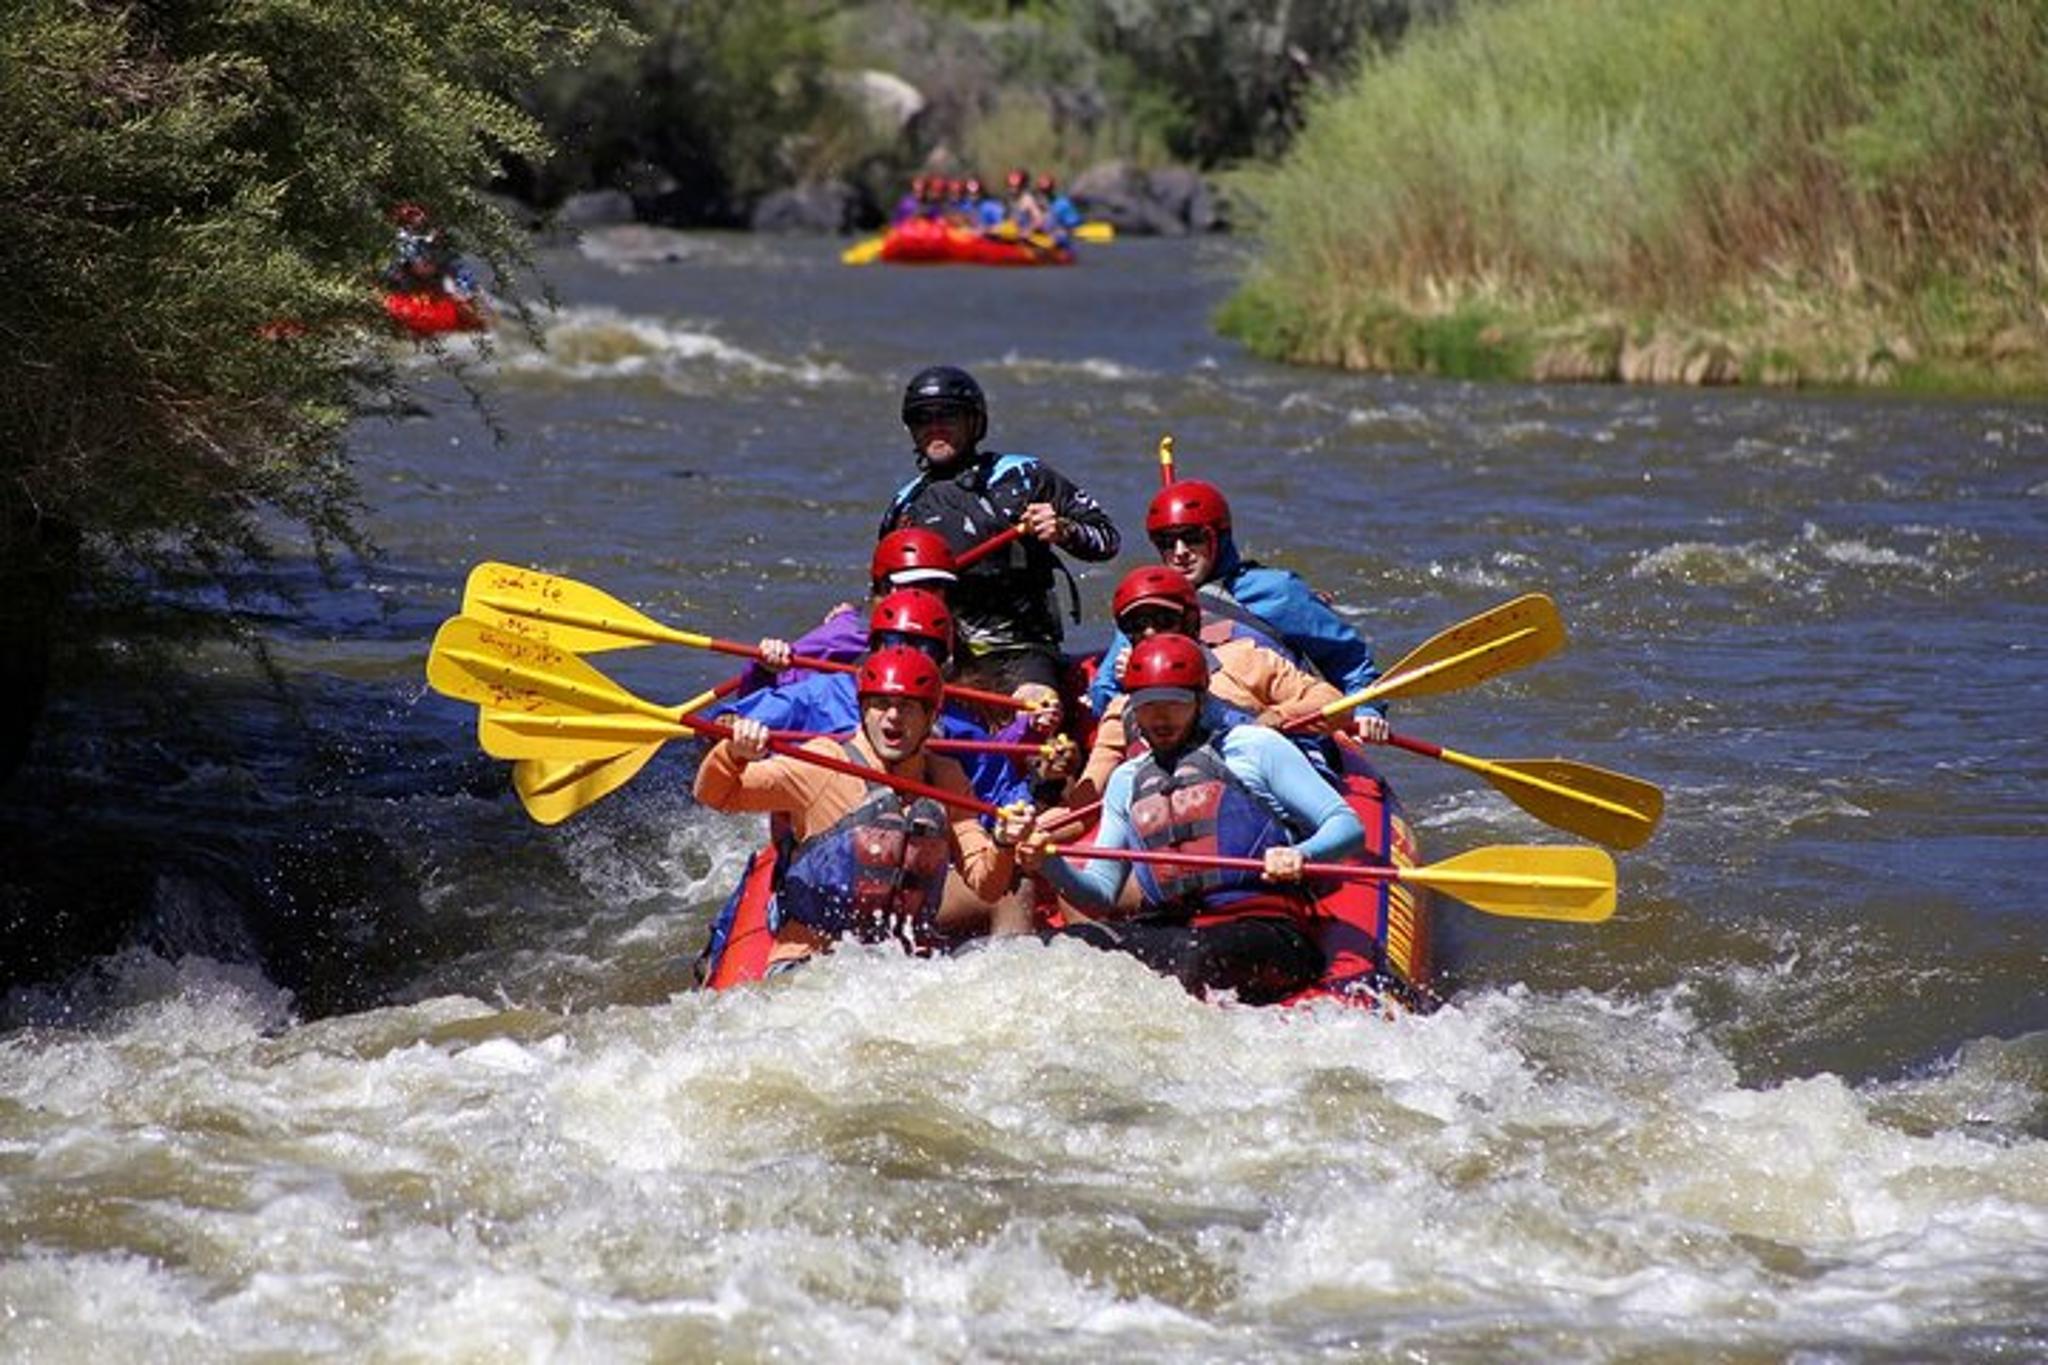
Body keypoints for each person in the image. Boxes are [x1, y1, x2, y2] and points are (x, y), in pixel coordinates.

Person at [1020, 634, 1364, 1004]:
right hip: (1174, 929)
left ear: (1201, 701)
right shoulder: (1127, 779)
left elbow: (1346, 825)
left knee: (1194, 956)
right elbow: (1100, 894)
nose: (1160, 717)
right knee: (1067, 946)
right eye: (1147, 705)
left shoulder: (1252, 747)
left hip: (1267, 931)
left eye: (1175, 703)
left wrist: (1303, 855)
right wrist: (1048, 862)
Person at [695, 647, 1036, 973]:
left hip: (902, 964)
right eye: (880, 704)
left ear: (931, 716)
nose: (892, 716)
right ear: (862, 710)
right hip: (814, 961)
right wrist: (733, 754)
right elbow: (717, 795)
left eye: (908, 706)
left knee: (1015, 887)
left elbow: (986, 884)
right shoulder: (824, 763)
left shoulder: (945, 776)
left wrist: (1003, 843)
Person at [881, 365, 1119, 714]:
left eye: (947, 415)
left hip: (1022, 651)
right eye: (922, 418)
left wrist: (1064, 530)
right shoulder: (904, 506)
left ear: (975, 422)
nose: (935, 427)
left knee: (1039, 709)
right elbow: (884, 594)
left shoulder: (1024, 476)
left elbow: (1108, 539)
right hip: (940, 653)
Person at [1062, 565, 1383, 807]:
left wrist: (1278, 717)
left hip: (1268, 808)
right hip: (1182, 835)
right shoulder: (1123, 708)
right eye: (1135, 626)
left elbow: (1333, 703)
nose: (1149, 634)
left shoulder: (1245, 660)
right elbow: (1087, 796)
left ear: (1189, 622)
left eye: (1162, 621)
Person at [711, 587, 1034, 810]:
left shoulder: (955, 725)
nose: (904, 654)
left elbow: (1002, 791)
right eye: (893, 642)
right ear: (873, 648)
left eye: (923, 648)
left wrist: (1036, 748)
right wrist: (732, 731)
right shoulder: (824, 692)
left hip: (911, 845)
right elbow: (727, 723)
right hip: (824, 826)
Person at [1086, 478, 1380, 719]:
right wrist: (1131, 683)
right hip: (1181, 737)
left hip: (1277, 727)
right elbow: (1103, 695)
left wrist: (1366, 710)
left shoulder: (1278, 591)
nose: (1179, 552)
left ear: (1220, 537)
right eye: (1166, 542)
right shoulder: (1148, 609)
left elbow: (1350, 663)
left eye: (1192, 537)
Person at [743, 527, 962, 692]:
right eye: (917, 585)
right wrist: (764, 669)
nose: (924, 596)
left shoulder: (959, 642)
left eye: (935, 586)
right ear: (884, 588)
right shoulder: (844, 635)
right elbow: (774, 692)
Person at [381, 202, 481, 306]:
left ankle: (469, 295)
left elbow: (432, 248)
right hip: (411, 274)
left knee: (454, 261)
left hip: (429, 269)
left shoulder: (423, 233)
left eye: (418, 214)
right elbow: (405, 258)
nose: (419, 217)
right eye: (413, 214)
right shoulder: (399, 236)